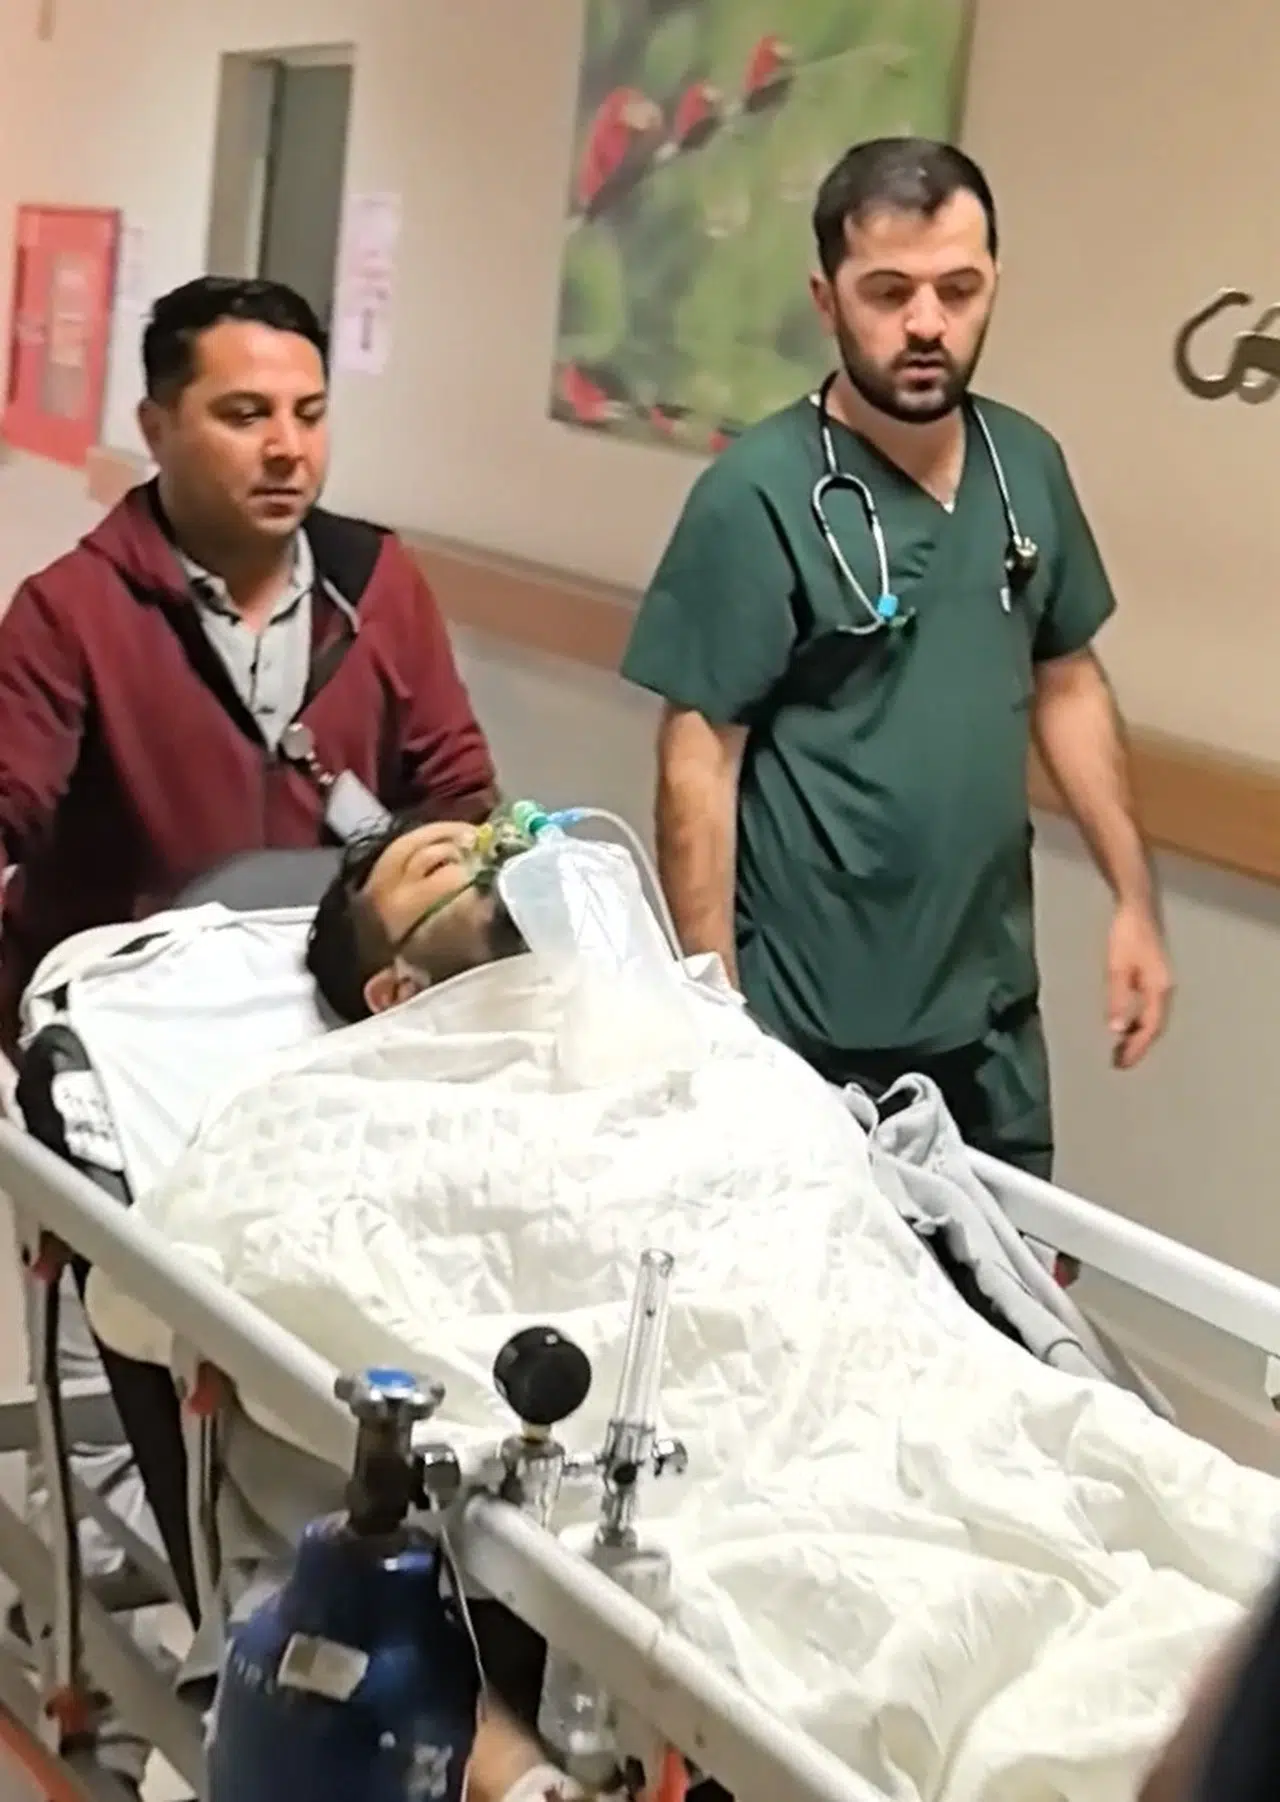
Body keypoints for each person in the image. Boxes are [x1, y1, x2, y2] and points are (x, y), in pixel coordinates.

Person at [619, 137, 1172, 1178]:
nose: (926, 323)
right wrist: (714, 1012)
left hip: (989, 1026)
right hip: (807, 1030)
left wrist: (1133, 899)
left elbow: (1066, 679)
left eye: (957, 290)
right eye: (889, 291)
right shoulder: (757, 494)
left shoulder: (1026, 466)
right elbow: (699, 755)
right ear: (826, 301)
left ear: (992, 284)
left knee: (998, 1274)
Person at [0, 274, 497, 1062]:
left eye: (310, 414)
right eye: (245, 415)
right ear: (156, 428)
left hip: (328, 1027)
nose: (288, 449)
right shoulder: (72, 614)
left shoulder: (378, 586)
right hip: (129, 1037)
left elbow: (459, 796)